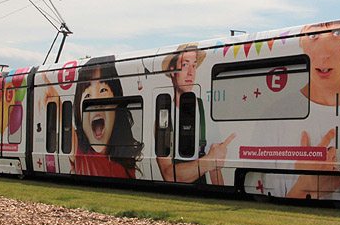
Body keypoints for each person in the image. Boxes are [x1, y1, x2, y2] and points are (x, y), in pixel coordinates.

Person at [285, 17, 340, 199]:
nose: (324, 54)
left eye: (338, 33)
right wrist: (305, 186)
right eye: (313, 34)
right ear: (300, 40)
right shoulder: (279, 112)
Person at [157, 44, 234, 185]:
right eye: (185, 65)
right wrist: (209, 161)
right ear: (173, 70)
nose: (191, 73)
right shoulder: (163, 113)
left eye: (194, 65)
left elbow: (215, 172)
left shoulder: (206, 110)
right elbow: (169, 175)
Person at [71, 56, 143, 179]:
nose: (96, 102)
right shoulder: (77, 145)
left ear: (117, 103)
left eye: (103, 90)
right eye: (88, 95)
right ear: (79, 112)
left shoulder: (126, 158)